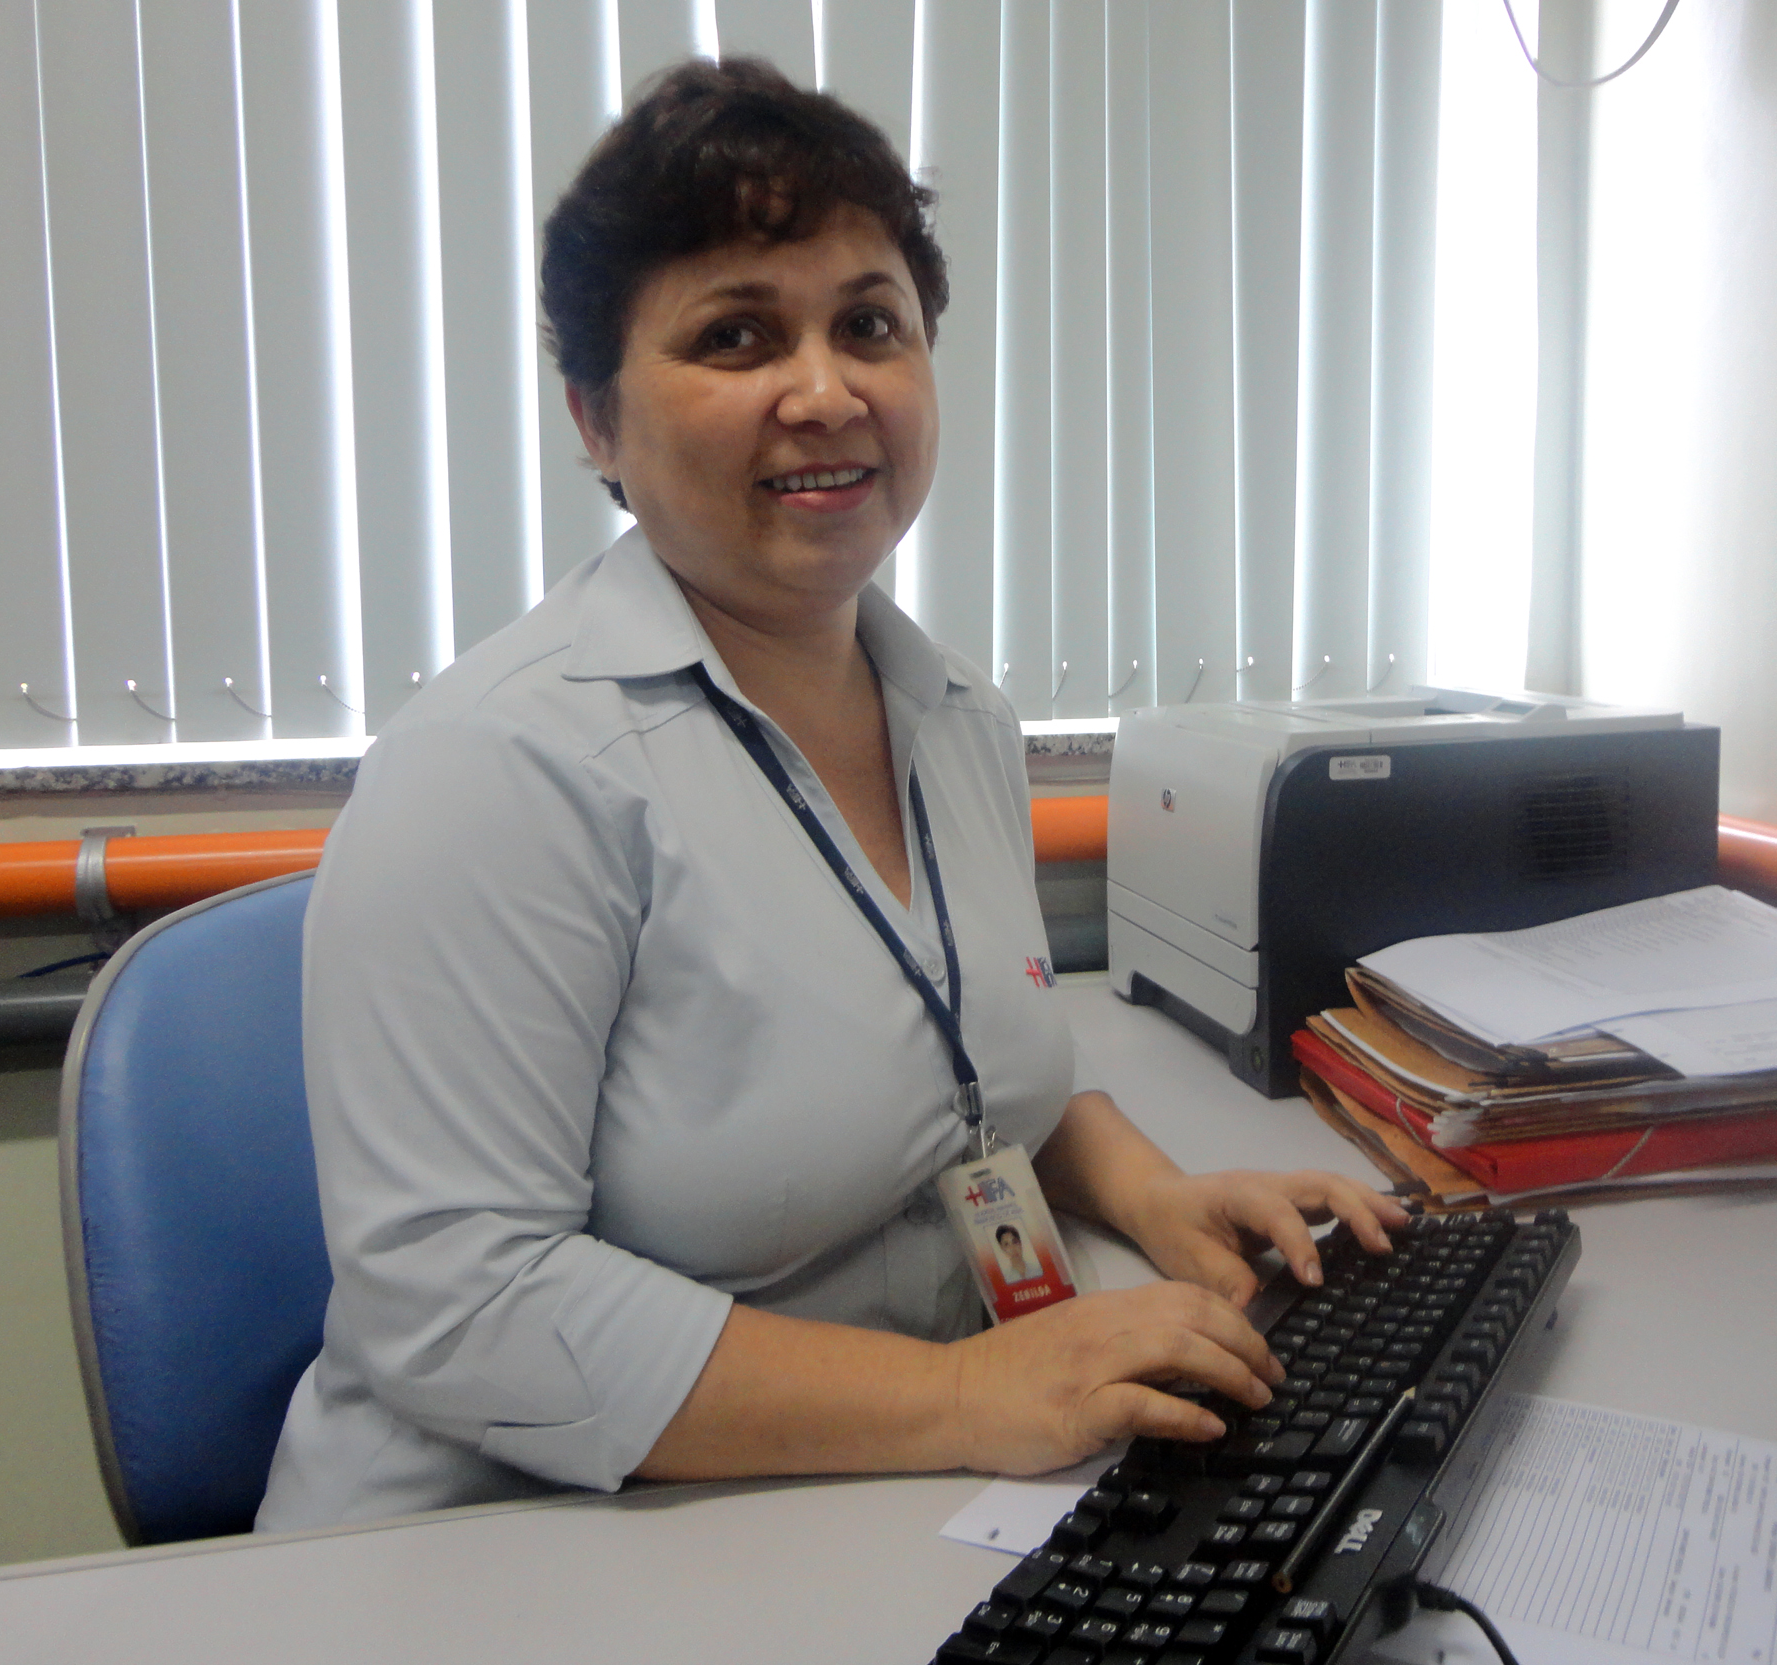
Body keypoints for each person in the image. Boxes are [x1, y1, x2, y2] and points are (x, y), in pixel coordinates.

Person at [256, 57, 1405, 1532]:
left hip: (836, 1509)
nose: (825, 391)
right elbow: (457, 1302)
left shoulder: (956, 718)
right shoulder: (499, 768)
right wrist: (963, 1397)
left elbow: (953, 1069)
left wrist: (1150, 1192)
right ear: (597, 420)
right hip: (504, 1546)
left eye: (869, 325)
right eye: (735, 336)